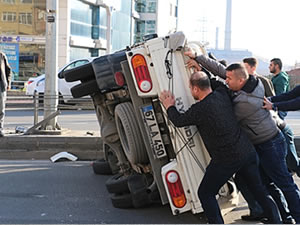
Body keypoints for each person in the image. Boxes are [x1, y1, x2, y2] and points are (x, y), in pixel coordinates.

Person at [184, 51, 300, 223]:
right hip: (260, 143)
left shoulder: (245, 102)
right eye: (228, 78)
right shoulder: (249, 81)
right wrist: (198, 58)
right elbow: (223, 72)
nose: (227, 81)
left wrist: (204, 77)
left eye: (230, 79)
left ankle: (296, 217)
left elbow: (223, 99)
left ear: (240, 80)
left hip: (269, 143)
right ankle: (282, 218)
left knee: (284, 183)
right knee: (266, 184)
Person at [159, 71, 280, 224]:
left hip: (226, 159)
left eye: (191, 88)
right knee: (259, 189)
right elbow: (219, 84)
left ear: (196, 89)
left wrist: (169, 106)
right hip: (247, 152)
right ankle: (277, 221)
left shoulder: (200, 110)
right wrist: (202, 71)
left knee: (205, 193)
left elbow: (178, 120)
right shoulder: (222, 94)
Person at [235, 57, 296, 223]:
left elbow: (294, 101)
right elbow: (289, 95)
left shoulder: (261, 81)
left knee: (286, 178)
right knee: (271, 181)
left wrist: (275, 108)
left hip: (278, 131)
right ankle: (285, 217)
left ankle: (295, 217)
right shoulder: (251, 85)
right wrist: (273, 103)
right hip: (270, 135)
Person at [0, 51, 11, 137]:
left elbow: (8, 70)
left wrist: (8, 82)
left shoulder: (2, 55)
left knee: (1, 109)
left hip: (1, 85)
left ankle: (0, 129)